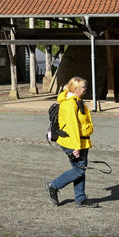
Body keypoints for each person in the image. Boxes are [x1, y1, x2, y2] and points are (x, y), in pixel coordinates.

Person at [46, 77, 99, 208]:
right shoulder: (70, 103)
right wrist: (76, 147)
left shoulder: (77, 101)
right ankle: (53, 185)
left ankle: (80, 198)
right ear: (76, 89)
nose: (86, 89)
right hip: (71, 141)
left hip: (81, 141)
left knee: (80, 169)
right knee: (79, 170)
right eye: (83, 87)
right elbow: (72, 126)